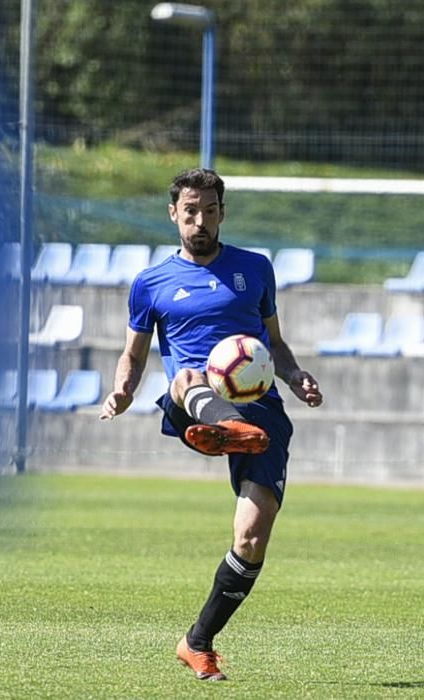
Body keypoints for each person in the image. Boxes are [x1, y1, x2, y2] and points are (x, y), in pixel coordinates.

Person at [99, 168, 323, 681]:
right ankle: (222, 426)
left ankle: (197, 642)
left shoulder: (255, 269)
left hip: (259, 410)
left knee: (250, 538)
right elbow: (132, 355)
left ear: (223, 213)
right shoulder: (151, 283)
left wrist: (294, 377)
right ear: (174, 214)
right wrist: (123, 391)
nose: (201, 221)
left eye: (211, 211)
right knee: (187, 377)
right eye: (191, 211)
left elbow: (276, 344)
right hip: (194, 401)